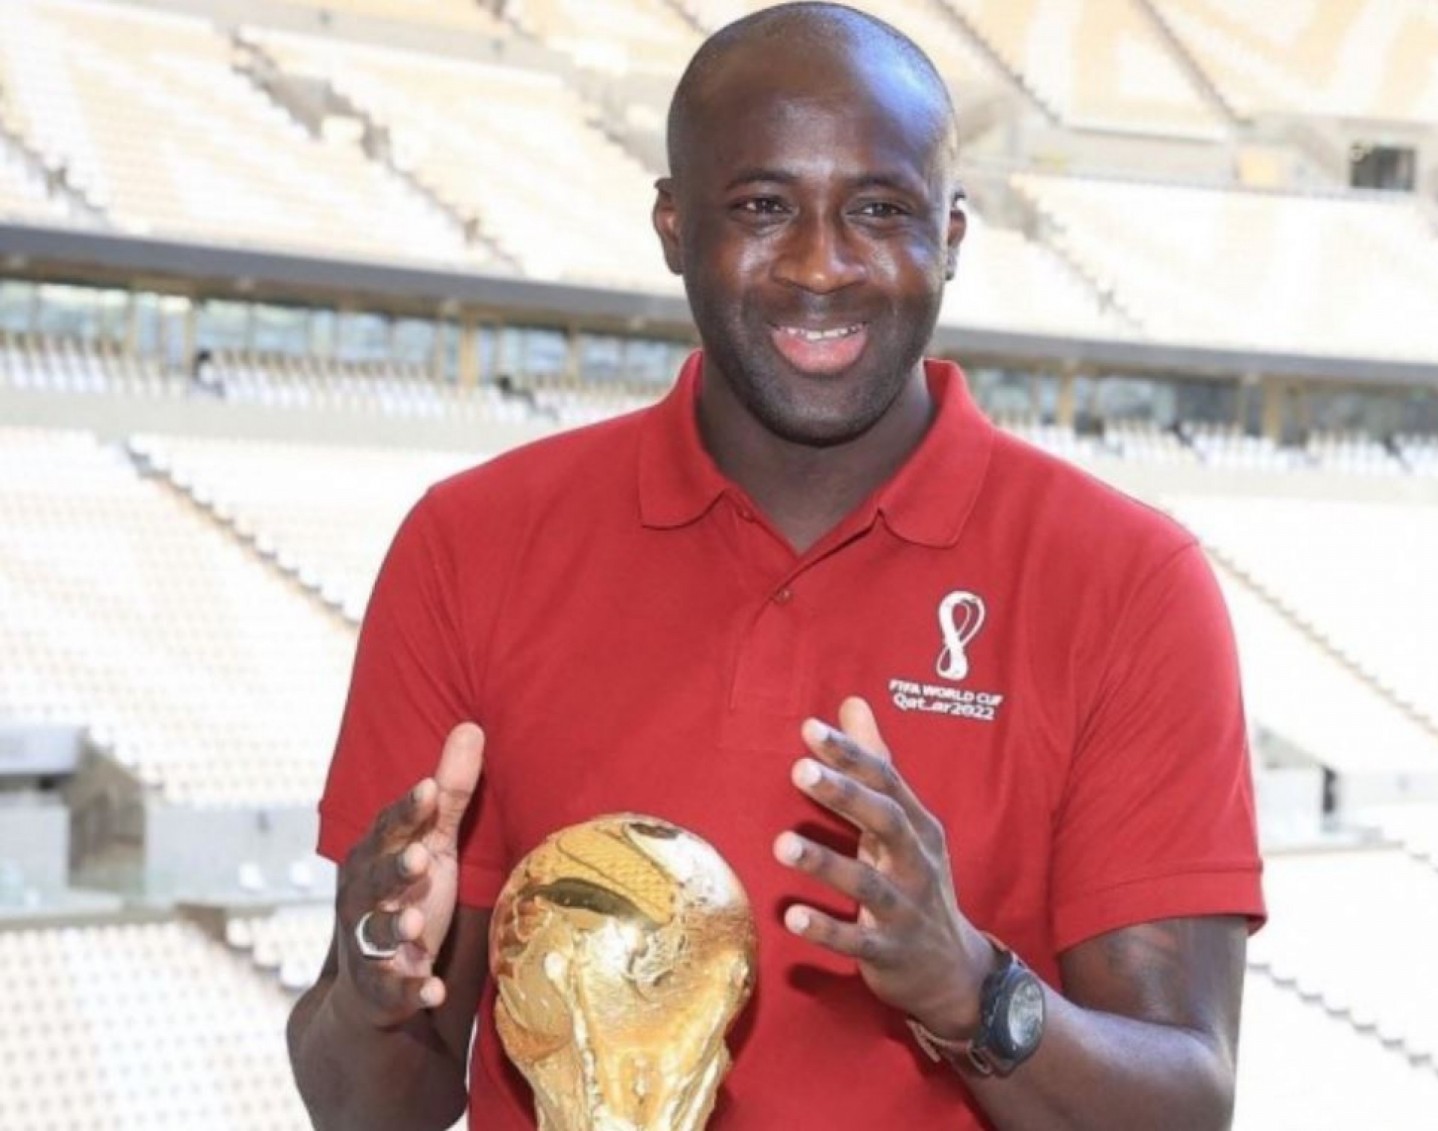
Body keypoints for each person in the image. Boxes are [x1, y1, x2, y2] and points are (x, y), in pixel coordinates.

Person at [286, 4, 1264, 1128]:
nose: (821, 266)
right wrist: (373, 995)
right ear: (672, 225)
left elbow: (1186, 1101)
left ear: (950, 234)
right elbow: (369, 1110)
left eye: (879, 209)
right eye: (762, 206)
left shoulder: (1129, 582)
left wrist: (969, 987)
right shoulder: (471, 545)